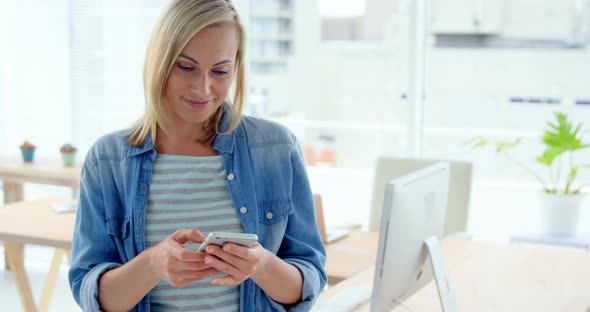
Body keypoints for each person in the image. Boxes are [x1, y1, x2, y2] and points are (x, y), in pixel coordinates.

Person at [68, 0, 327, 311]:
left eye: (220, 71)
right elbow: (92, 295)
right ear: (160, 62)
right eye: (186, 67)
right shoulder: (107, 161)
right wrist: (153, 264)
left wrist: (260, 266)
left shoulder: (276, 148)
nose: (202, 89)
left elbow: (308, 280)